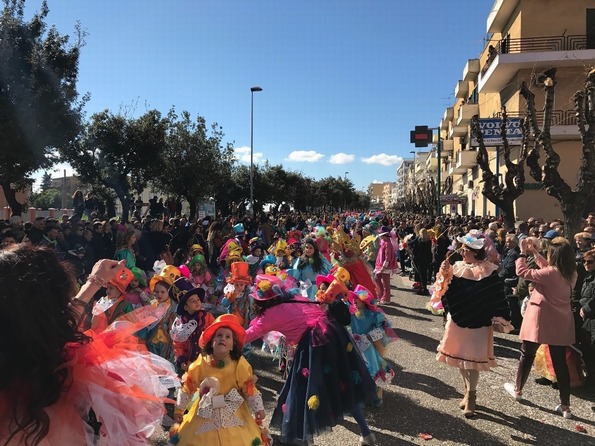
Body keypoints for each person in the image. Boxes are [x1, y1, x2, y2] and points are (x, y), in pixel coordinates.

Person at [0, 246, 178, 445]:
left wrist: (95, 281)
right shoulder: (58, 357)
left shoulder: (25, 340)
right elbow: (62, 324)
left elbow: (62, 322)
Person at [245, 274, 378, 446]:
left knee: (301, 391)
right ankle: (367, 434)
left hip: (314, 345)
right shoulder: (294, 297)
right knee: (344, 385)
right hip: (333, 334)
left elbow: (247, 336)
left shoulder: (269, 314)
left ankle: (299, 439)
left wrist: (217, 335)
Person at [430, 231, 511, 418]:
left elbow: (496, 296)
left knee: (473, 362)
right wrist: (444, 272)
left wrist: (500, 318)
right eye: (462, 248)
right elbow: (443, 291)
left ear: (475, 251)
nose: (462, 251)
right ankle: (466, 391)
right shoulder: (457, 267)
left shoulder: (488, 270)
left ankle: (472, 396)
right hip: (458, 320)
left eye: (465, 249)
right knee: (460, 358)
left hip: (479, 322)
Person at [504, 236, 577, 419]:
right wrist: (535, 253)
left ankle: (518, 389)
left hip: (540, 319)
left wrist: (522, 252)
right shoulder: (571, 273)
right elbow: (547, 269)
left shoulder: (551, 273)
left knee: (526, 355)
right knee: (560, 364)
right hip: (560, 322)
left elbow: (522, 271)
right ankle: (565, 406)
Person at [170, 314, 270, 446]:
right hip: (205, 411)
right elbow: (188, 387)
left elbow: (249, 388)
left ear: (233, 346)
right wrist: (179, 409)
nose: (223, 338)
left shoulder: (239, 364)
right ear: (212, 342)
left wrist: (259, 409)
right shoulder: (201, 363)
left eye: (228, 337)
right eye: (219, 335)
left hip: (233, 411)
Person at [348, 285, 397, 407]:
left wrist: (369, 336)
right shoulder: (352, 314)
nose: (354, 301)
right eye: (353, 298)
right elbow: (348, 326)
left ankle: (375, 394)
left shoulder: (373, 315)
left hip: (368, 348)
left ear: (364, 301)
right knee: (356, 370)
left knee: (372, 370)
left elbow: (381, 329)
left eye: (357, 299)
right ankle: (360, 396)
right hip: (355, 346)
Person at [289, 237, 332, 301]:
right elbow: (295, 275)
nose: (308, 250)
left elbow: (328, 269)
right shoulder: (301, 260)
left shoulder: (319, 260)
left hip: (317, 290)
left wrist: (322, 258)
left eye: (310, 248)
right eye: (306, 247)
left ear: (315, 249)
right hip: (305, 290)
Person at [578, 248, 595, 387]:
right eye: (584, 261)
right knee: (587, 350)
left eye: (590, 262)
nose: (586, 264)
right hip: (587, 319)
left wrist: (586, 308)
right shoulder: (587, 277)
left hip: (592, 318)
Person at [374, 226, 399, 303]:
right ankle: (380, 294)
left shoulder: (388, 243)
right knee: (376, 278)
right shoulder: (383, 242)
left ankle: (386, 298)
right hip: (379, 264)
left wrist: (384, 266)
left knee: (386, 282)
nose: (380, 236)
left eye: (381, 235)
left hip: (385, 266)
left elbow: (388, 256)